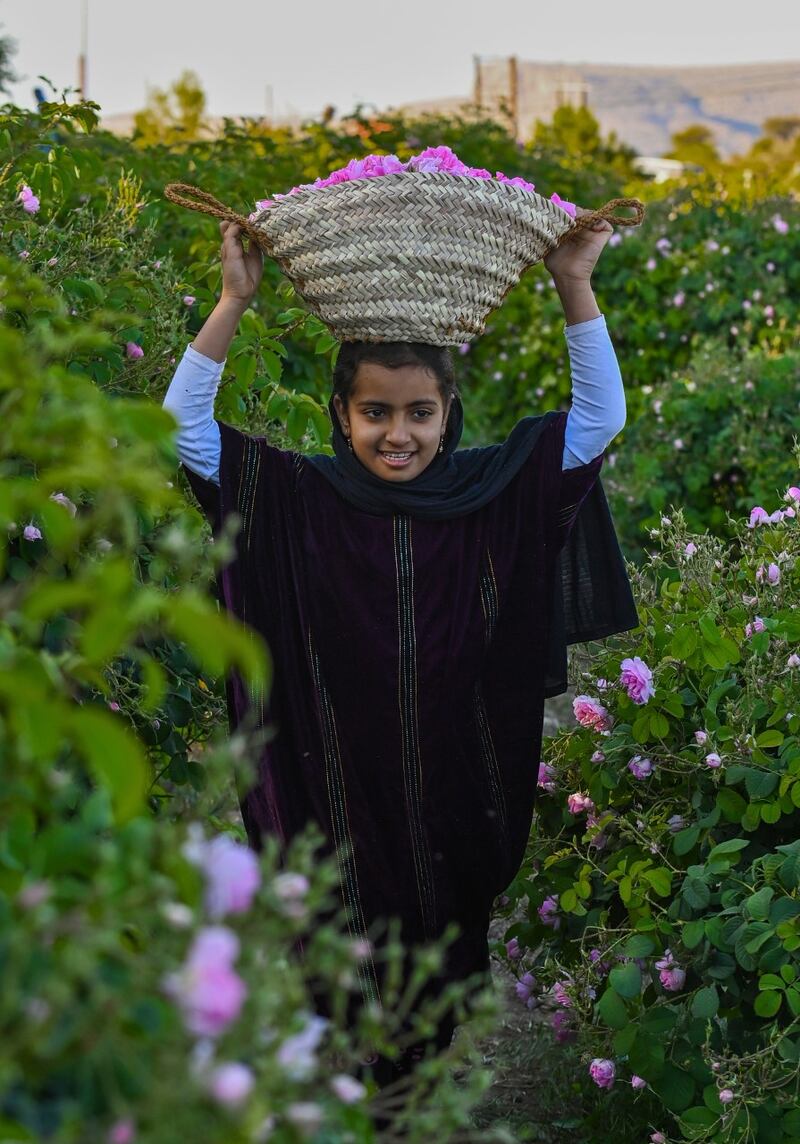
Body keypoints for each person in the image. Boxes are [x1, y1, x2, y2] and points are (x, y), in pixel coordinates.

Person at [161, 209, 638, 1086]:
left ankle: (412, 1082)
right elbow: (184, 428)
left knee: (436, 958)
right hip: (331, 778)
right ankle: (359, 1083)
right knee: (343, 963)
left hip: (454, 778)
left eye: (419, 412)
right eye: (374, 412)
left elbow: (599, 419)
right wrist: (233, 300)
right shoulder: (296, 497)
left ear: (447, 411)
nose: (398, 434)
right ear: (342, 414)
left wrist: (575, 284)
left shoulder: (489, 491)